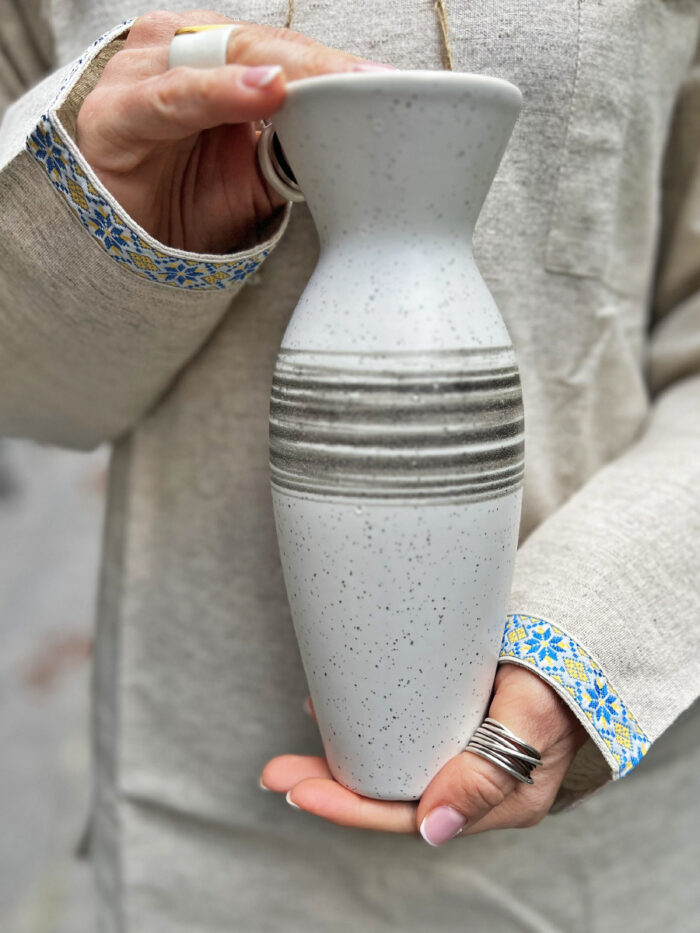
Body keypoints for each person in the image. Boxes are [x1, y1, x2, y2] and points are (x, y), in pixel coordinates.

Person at [1, 2, 699, 930]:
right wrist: (95, 188)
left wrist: (587, 645)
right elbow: (31, 397)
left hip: (589, 854)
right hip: (191, 820)